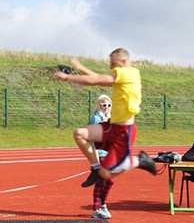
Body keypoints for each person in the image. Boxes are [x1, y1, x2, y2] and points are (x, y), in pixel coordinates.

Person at [53, 48, 156, 189]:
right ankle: (95, 168)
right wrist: (80, 67)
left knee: (106, 174)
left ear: (124, 62)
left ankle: (139, 161)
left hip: (124, 132)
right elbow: (98, 79)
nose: (110, 67)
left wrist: (67, 77)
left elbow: (95, 80)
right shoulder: (124, 75)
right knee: (80, 134)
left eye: (113, 64)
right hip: (112, 126)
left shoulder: (128, 73)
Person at [89, 95, 114, 219]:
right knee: (104, 180)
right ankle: (98, 208)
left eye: (109, 105)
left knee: (107, 180)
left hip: (110, 154)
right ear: (99, 105)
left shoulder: (110, 118)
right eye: (104, 105)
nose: (106, 107)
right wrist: (94, 159)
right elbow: (91, 139)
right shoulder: (95, 119)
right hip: (100, 154)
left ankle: (101, 205)